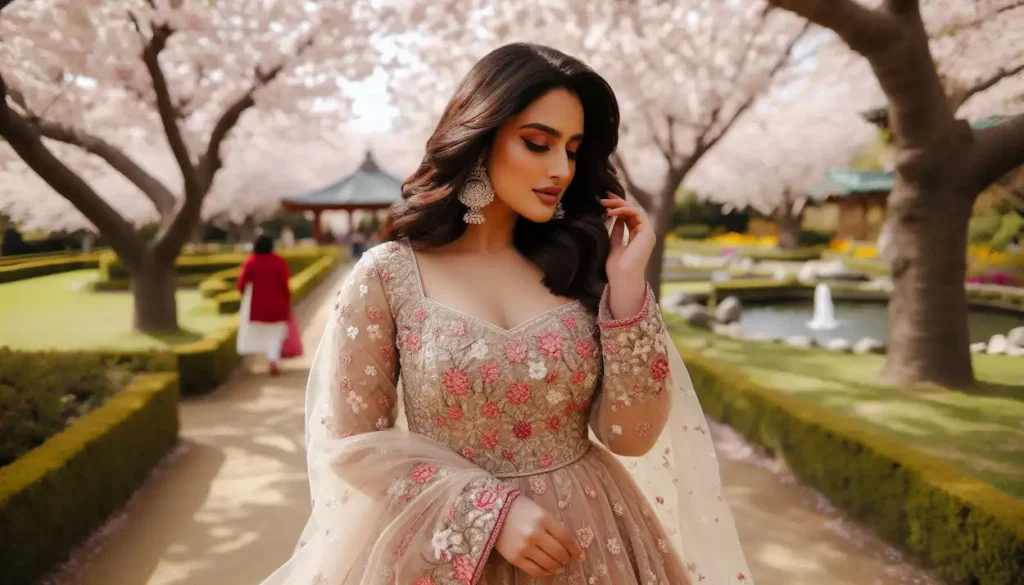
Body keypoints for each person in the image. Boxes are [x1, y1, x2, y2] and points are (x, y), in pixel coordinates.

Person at [259, 43, 752, 585]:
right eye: (537, 144)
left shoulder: (582, 269)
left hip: (588, 543)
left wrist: (628, 287)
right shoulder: (390, 275)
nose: (560, 169)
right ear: (479, 137)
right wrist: (487, 511)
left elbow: (630, 436)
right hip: (444, 548)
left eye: (572, 149)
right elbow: (352, 447)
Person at [236, 234, 292, 376]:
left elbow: (242, 285)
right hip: (277, 306)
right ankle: (272, 360)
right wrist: (288, 301)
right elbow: (285, 284)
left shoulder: (251, 262)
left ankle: (267, 359)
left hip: (257, 307)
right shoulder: (279, 261)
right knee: (274, 335)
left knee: (261, 333)